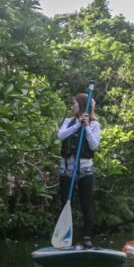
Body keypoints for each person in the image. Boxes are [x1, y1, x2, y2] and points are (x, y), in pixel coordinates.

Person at [58, 93, 100, 249]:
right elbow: (60, 136)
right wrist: (77, 125)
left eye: (74, 104)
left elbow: (94, 145)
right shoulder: (68, 122)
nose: (71, 106)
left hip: (84, 169)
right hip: (67, 168)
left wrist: (87, 126)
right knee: (65, 203)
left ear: (81, 106)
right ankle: (65, 238)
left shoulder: (95, 124)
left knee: (85, 204)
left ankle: (87, 238)